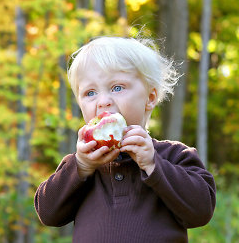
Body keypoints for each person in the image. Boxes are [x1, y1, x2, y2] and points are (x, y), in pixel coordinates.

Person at [34, 36, 216, 242]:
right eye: (90, 92)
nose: (103, 101)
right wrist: (81, 167)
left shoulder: (174, 155)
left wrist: (153, 165)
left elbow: (202, 210)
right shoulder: (82, 165)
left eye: (117, 88)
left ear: (150, 97)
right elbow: (48, 213)